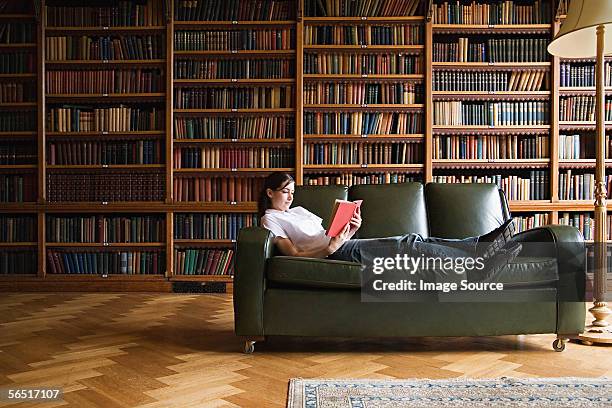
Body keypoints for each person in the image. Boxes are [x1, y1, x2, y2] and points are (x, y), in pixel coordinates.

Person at [257, 172, 520, 271]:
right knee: (409, 244)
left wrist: (349, 229)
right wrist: (329, 249)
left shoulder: (298, 211)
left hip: (344, 245)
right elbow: (293, 254)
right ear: (270, 192)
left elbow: (328, 234)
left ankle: (479, 244)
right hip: (335, 254)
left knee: (415, 241)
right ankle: (479, 255)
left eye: (293, 191)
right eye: (285, 191)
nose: (291, 197)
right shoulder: (270, 220)